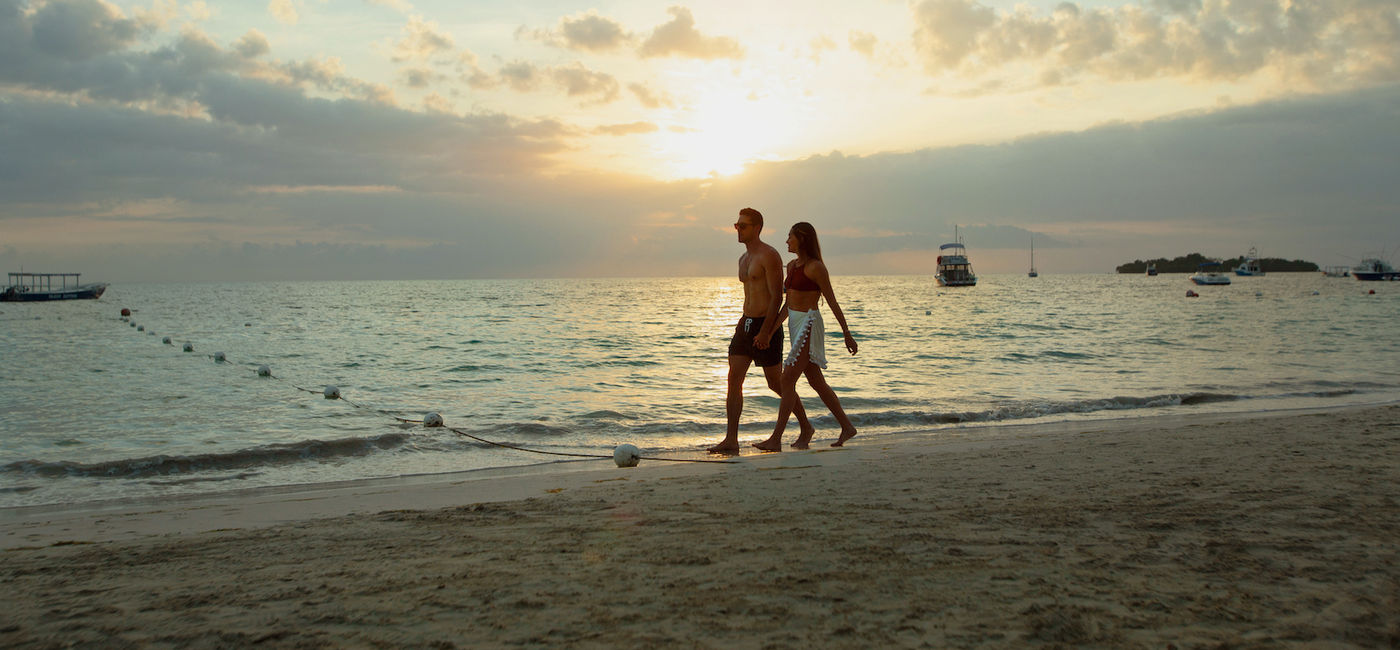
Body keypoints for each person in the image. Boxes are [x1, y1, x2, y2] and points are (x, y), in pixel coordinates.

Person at [708, 208, 815, 454]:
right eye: (736, 225)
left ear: (757, 228)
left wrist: (767, 331)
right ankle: (731, 439)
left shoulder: (769, 255)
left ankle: (806, 426)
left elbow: (777, 296)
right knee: (734, 379)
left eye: (743, 225)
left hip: (765, 325)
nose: (738, 229)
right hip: (745, 323)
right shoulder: (743, 259)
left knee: (776, 383)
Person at [753, 222, 858, 451]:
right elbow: (787, 305)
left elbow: (831, 301)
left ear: (802, 239)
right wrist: (769, 332)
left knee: (786, 379)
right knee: (816, 382)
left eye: (790, 237)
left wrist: (846, 333)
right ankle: (847, 427)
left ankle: (776, 439)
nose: (787, 241)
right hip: (794, 323)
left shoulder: (815, 267)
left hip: (809, 323)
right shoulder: (791, 266)